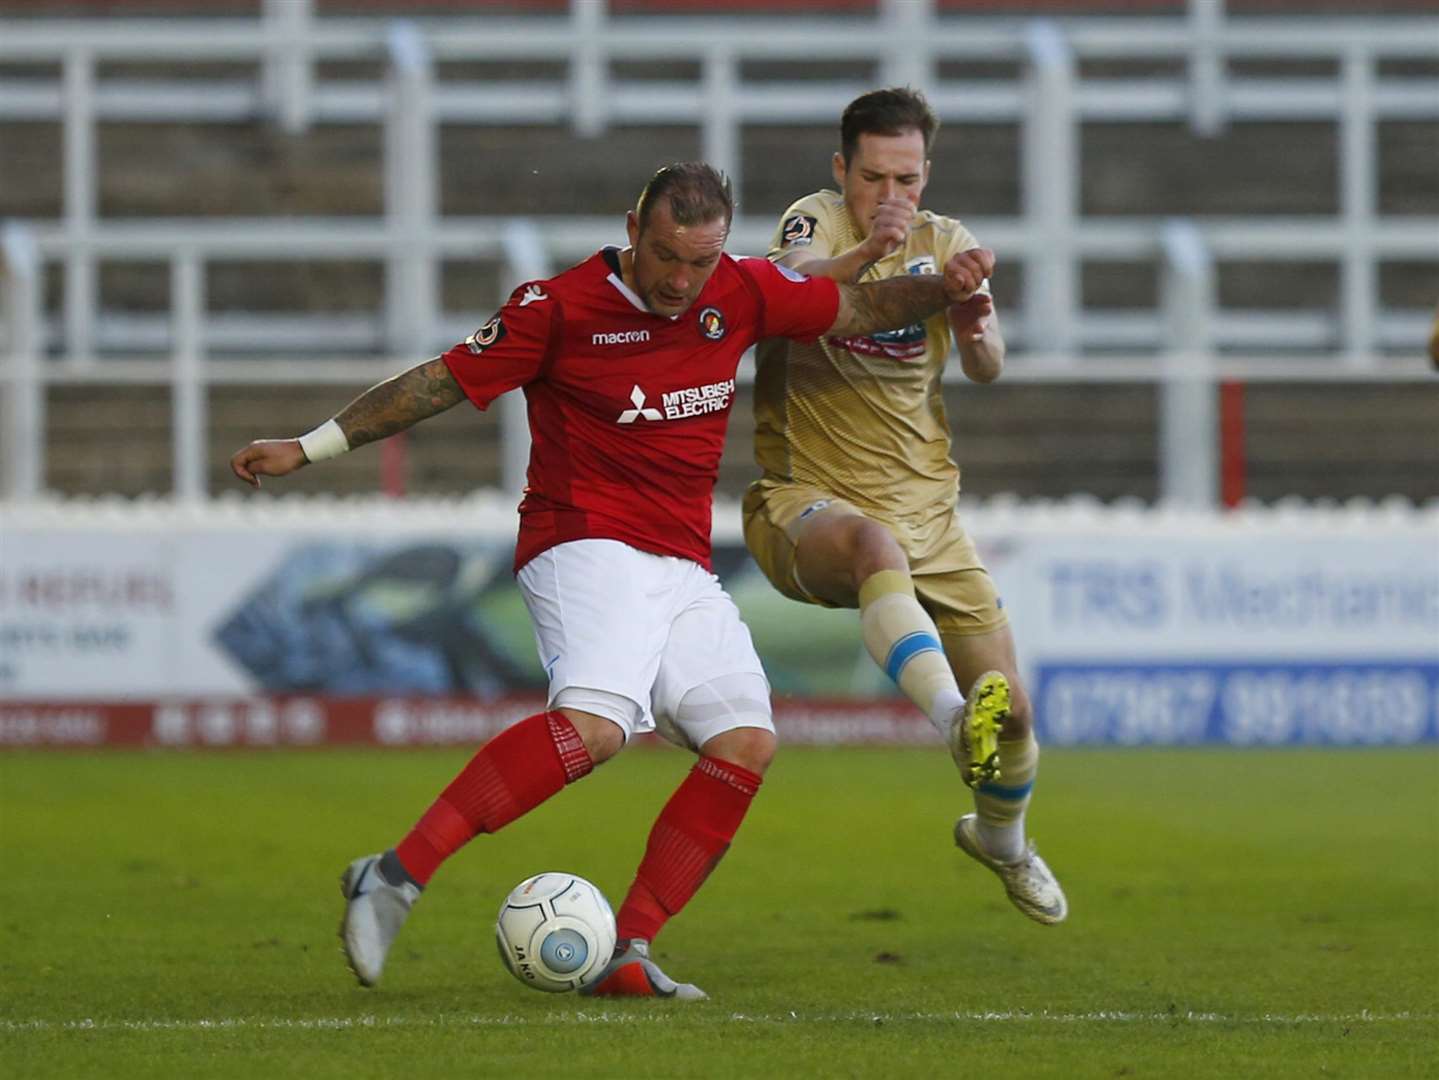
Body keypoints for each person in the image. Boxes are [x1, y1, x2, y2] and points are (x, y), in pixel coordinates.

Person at [230, 161, 992, 997]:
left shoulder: (736, 292)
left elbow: (859, 306)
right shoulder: (553, 308)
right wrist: (309, 446)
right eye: (666, 256)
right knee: (595, 728)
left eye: (698, 262)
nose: (679, 280)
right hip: (581, 541)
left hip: (680, 563)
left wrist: (943, 290)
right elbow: (440, 382)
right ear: (634, 228)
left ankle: (628, 949)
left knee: (745, 741)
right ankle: (394, 874)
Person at [742, 89, 1068, 925]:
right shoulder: (811, 223)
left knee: (1019, 715)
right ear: (840, 169)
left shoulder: (945, 244)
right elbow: (785, 292)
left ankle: (1001, 840)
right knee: (871, 546)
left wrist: (971, 312)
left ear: (927, 173)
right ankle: (953, 720)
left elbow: (987, 364)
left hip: (929, 510)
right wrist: (868, 256)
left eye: (908, 179)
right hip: (806, 499)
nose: (891, 197)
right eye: (874, 177)